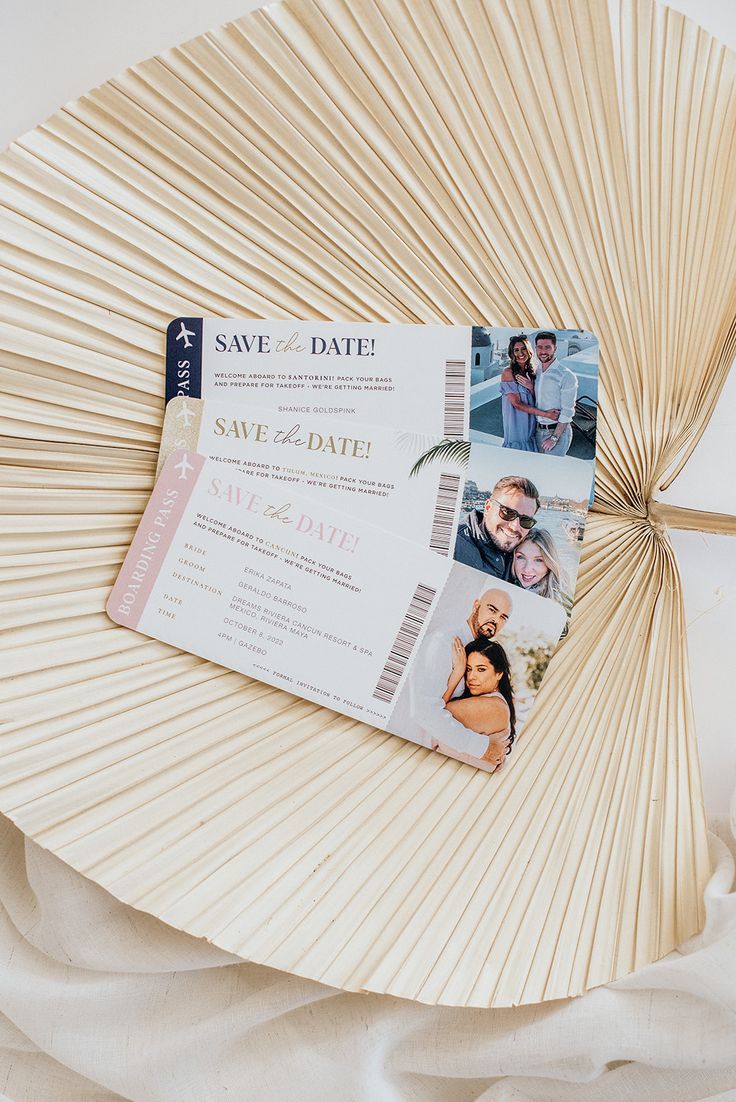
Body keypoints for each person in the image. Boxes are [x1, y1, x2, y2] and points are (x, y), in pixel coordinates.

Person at [401, 585, 513, 754]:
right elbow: (423, 710)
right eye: (492, 610)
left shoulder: (479, 653)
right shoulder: (444, 642)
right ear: (476, 606)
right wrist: (482, 748)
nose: (495, 620)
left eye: (503, 617)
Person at [439, 638, 516, 771]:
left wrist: (458, 671)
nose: (471, 677)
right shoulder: (488, 701)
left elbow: (432, 715)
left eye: (481, 669)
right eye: (468, 669)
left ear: (499, 673)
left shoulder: (493, 706)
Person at [454, 475, 540, 578]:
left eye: (526, 520)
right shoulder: (453, 545)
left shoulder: (528, 550)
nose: (515, 527)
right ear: (488, 507)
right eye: (508, 513)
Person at [500, 334, 560, 451]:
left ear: (529, 351)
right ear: (512, 353)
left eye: (523, 349)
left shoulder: (533, 371)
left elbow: (536, 398)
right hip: (516, 422)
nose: (520, 353)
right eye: (516, 350)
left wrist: (531, 387)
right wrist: (547, 414)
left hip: (532, 422)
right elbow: (517, 404)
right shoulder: (508, 373)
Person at [533, 331, 578, 456]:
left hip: (557, 433)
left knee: (552, 471)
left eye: (548, 347)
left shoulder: (566, 375)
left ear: (555, 349)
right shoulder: (536, 372)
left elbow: (568, 411)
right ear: (535, 348)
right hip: (537, 431)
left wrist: (554, 438)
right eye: (540, 347)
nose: (543, 351)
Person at [511, 528, 572, 609]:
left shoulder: (559, 604)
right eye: (521, 557)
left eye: (538, 560)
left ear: (549, 563)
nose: (527, 569)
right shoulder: (504, 584)